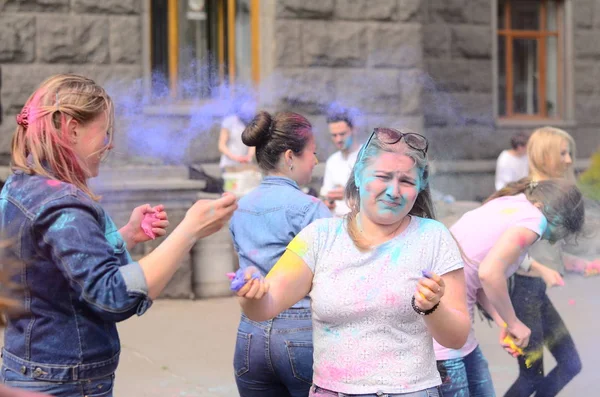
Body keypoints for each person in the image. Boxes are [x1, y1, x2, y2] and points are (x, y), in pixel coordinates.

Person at [0, 74, 237, 396]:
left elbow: (51, 263)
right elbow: (112, 297)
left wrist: (124, 237)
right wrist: (189, 230)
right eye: (105, 132)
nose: (109, 144)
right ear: (71, 130)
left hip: (28, 364)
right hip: (64, 381)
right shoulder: (63, 203)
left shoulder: (19, 184)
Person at [236, 127, 471, 396]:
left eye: (406, 181)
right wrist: (249, 294)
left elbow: (456, 338)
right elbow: (263, 308)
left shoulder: (433, 237)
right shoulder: (320, 237)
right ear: (358, 175)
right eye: (382, 177)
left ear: (420, 185)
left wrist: (433, 307)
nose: (394, 191)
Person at [434, 178, 585, 397]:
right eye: (562, 229)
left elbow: (476, 276)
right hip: (448, 331)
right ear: (549, 210)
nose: (555, 239)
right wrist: (514, 323)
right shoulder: (535, 220)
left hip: (450, 318)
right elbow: (489, 274)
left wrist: (503, 321)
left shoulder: (512, 202)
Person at [229, 111, 331, 397]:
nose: (315, 160)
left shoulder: (240, 207)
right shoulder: (310, 209)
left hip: (250, 335)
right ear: (290, 157)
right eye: (312, 152)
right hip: (301, 333)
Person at [504, 127, 583, 397]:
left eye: (569, 153)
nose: (570, 160)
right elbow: (504, 249)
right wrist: (538, 268)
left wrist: (579, 264)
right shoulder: (528, 196)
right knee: (531, 377)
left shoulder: (551, 194)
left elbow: (551, 246)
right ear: (545, 154)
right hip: (521, 291)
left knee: (570, 364)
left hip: (535, 292)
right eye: (563, 153)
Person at [319, 110, 361, 217]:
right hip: (336, 221)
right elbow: (325, 193)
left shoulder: (366, 157)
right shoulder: (332, 161)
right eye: (334, 135)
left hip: (360, 220)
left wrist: (349, 194)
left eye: (342, 134)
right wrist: (327, 202)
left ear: (354, 130)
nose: (338, 139)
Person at [218, 101, 256, 171]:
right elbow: (221, 145)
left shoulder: (252, 123)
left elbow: (253, 144)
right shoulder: (229, 122)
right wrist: (235, 158)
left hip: (244, 165)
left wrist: (248, 156)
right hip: (229, 164)